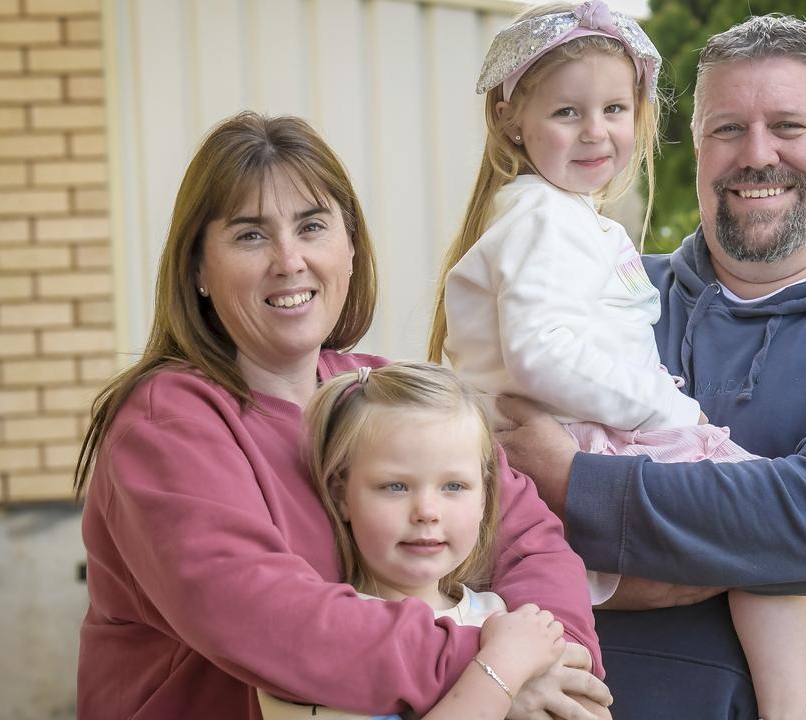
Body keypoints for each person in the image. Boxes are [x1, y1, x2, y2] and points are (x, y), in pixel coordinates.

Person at [496, 13, 806, 720]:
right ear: (695, 146)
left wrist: (579, 486)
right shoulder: (610, 299)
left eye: (789, 126)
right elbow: (479, 503)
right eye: (727, 129)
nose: (757, 154)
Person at [74, 112, 611, 720]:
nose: (289, 260)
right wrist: (495, 671)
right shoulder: (165, 423)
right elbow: (265, 619)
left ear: (350, 246)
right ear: (198, 267)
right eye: (251, 235)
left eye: (312, 227)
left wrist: (556, 659)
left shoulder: (382, 394)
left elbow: (529, 542)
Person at [428, 2, 806, 718]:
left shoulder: (567, 216)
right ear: (512, 118)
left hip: (575, 438)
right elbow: (542, 357)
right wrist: (663, 411)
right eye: (568, 112)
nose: (596, 132)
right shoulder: (542, 218)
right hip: (570, 442)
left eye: (613, 108)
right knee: (770, 526)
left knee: (761, 536)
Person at [259, 362, 571, 719]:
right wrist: (502, 667)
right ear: (342, 494)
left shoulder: (506, 620)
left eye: (454, 486)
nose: (427, 511)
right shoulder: (332, 641)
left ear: (484, 498)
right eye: (396, 486)